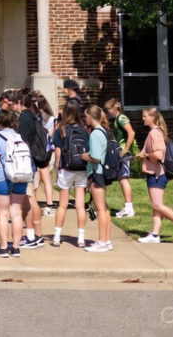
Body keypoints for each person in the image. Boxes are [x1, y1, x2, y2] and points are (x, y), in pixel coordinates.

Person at [136, 107, 173, 245]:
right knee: (156, 206)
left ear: (152, 117)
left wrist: (145, 155)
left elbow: (159, 155)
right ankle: (155, 234)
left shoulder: (155, 133)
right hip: (155, 173)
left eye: (144, 116)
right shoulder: (156, 132)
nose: (143, 118)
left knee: (158, 205)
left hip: (156, 174)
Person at [0, 108, 26, 258]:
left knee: (3, 214)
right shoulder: (19, 137)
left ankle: (3, 248)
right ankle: (16, 247)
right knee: (16, 213)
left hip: (2, 177)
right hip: (20, 176)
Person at [51, 101, 89, 249]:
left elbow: (58, 152)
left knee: (63, 205)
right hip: (81, 169)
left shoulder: (61, 129)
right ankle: (81, 238)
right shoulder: (84, 130)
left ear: (65, 112)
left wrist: (56, 169)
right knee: (80, 205)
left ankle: (56, 236)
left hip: (66, 169)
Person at [11, 92, 44, 249]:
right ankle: (37, 234)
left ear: (19, 102)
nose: (12, 107)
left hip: (26, 162)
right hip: (31, 160)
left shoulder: (24, 117)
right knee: (31, 197)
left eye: (13, 104)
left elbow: (22, 141)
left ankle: (32, 236)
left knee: (28, 198)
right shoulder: (32, 115)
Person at [81, 104, 112, 252]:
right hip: (102, 173)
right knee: (104, 209)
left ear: (91, 117)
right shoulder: (103, 132)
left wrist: (84, 156)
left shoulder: (94, 134)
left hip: (96, 173)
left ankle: (102, 241)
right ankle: (107, 240)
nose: (85, 119)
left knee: (100, 209)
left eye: (86, 116)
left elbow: (95, 157)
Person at [105, 98, 137, 218]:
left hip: (124, 152)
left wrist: (126, 149)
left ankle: (129, 208)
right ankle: (127, 206)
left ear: (116, 108)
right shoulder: (116, 119)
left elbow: (131, 133)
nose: (108, 113)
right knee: (121, 178)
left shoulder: (122, 118)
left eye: (109, 110)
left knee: (123, 178)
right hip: (121, 151)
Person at [32, 91, 56, 215]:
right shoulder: (51, 118)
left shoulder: (35, 117)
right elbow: (51, 135)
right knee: (46, 177)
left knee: (34, 175)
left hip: (35, 149)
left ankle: (32, 200)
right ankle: (49, 203)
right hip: (47, 150)